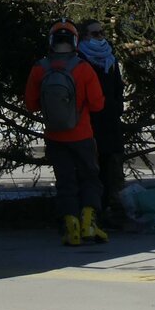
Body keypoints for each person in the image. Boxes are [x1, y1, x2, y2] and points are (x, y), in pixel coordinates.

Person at [25, 20, 107, 246]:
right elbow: (98, 104)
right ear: (75, 42)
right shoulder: (83, 68)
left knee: (65, 182)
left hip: (55, 136)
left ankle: (71, 228)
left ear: (51, 42)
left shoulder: (39, 68)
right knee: (90, 178)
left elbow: (31, 105)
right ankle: (89, 224)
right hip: (82, 136)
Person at [77, 18, 125, 225]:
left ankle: (103, 210)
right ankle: (88, 213)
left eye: (102, 33)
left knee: (107, 168)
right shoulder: (79, 59)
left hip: (109, 120)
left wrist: (117, 107)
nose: (100, 37)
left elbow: (117, 88)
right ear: (84, 36)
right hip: (88, 122)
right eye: (95, 34)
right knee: (89, 169)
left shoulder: (109, 58)